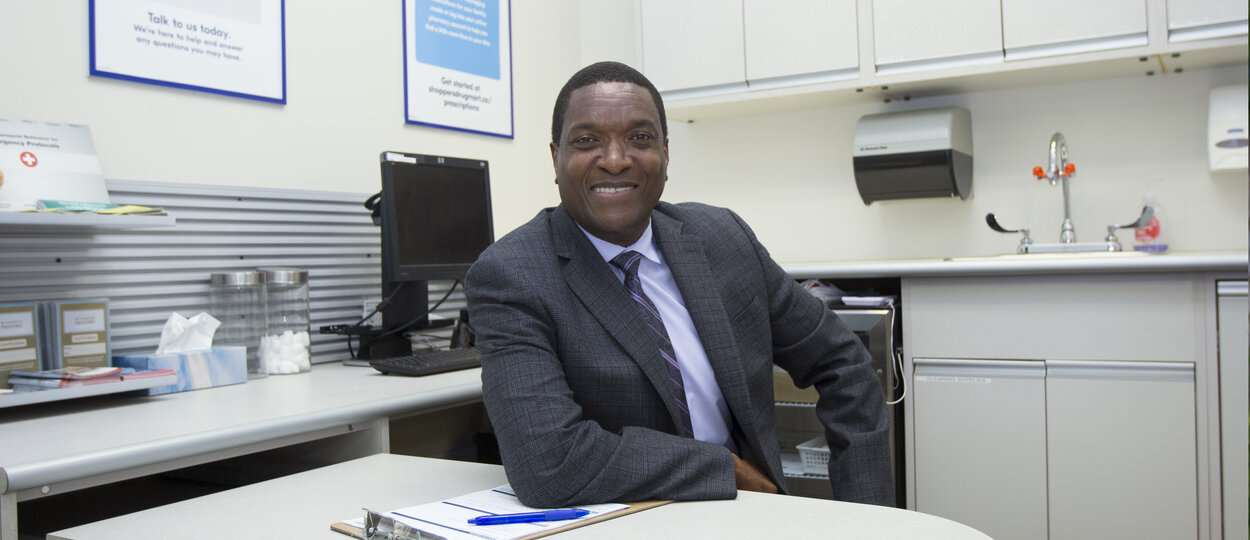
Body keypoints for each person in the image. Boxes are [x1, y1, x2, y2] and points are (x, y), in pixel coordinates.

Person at [464, 61, 892, 508]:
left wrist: (866, 518)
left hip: (755, 519)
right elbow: (549, 462)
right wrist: (723, 467)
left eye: (640, 138)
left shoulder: (724, 239)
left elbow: (844, 363)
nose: (615, 160)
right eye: (587, 140)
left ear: (666, 155)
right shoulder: (513, 275)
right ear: (555, 158)